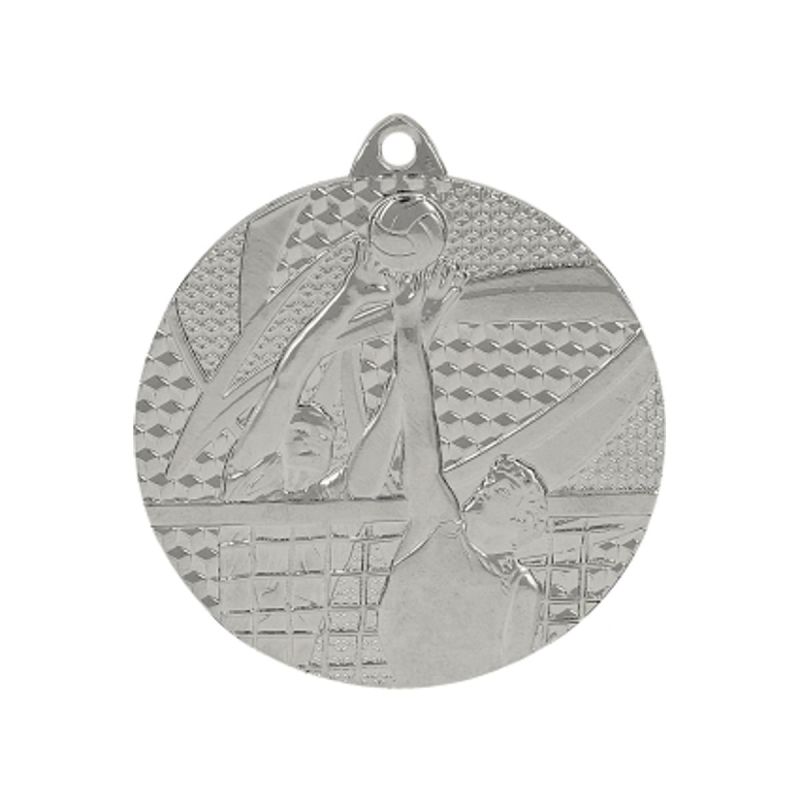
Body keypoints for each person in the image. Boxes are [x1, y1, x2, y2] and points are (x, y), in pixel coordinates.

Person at [377, 265, 546, 686]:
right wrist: (407, 325)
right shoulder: (437, 525)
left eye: (500, 490)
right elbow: (419, 422)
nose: (484, 488)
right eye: (491, 482)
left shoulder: (521, 588)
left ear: (521, 520)